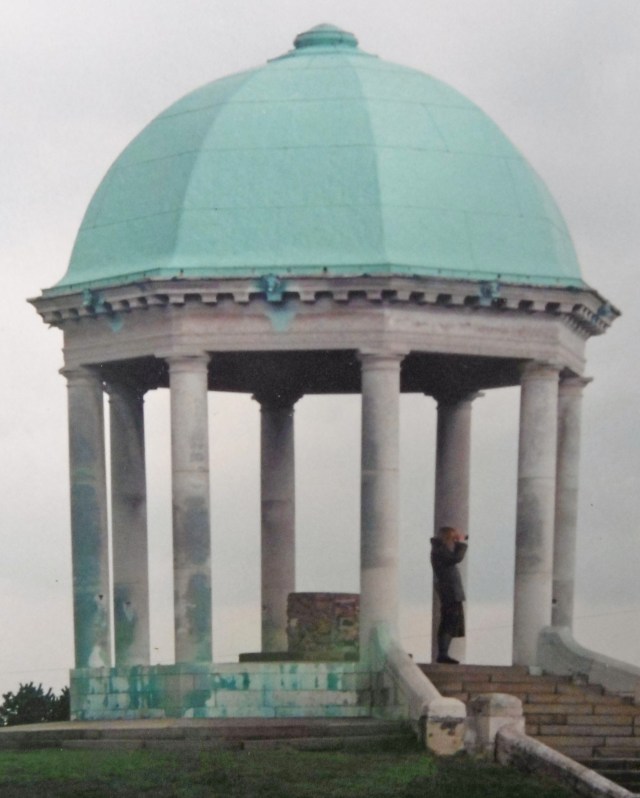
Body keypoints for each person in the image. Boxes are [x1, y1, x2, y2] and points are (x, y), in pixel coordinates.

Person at [430, 525, 468, 664]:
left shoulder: (439, 549)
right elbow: (456, 558)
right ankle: (443, 654)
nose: (454, 541)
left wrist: (458, 542)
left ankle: (444, 653)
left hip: (451, 591)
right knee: (449, 621)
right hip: (449, 591)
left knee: (451, 622)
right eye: (453, 538)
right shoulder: (439, 550)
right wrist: (461, 543)